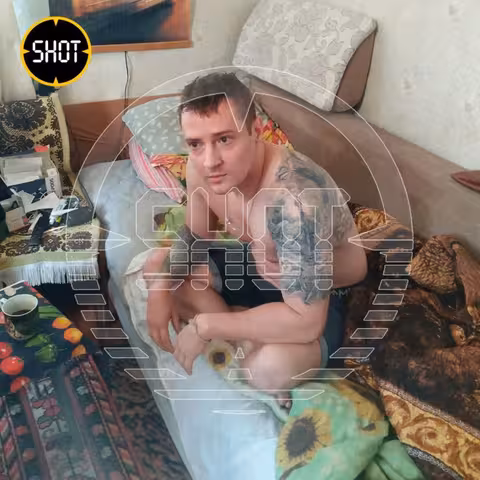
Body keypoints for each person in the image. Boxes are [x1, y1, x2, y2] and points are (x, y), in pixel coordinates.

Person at [143, 72, 367, 393]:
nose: (210, 161)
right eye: (196, 144)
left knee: (267, 369)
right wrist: (159, 288)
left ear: (255, 130)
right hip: (259, 266)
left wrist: (207, 326)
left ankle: (242, 328)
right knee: (158, 268)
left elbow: (306, 322)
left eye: (224, 139)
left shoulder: (294, 200)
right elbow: (196, 237)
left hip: (323, 293)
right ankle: (247, 328)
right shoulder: (199, 168)